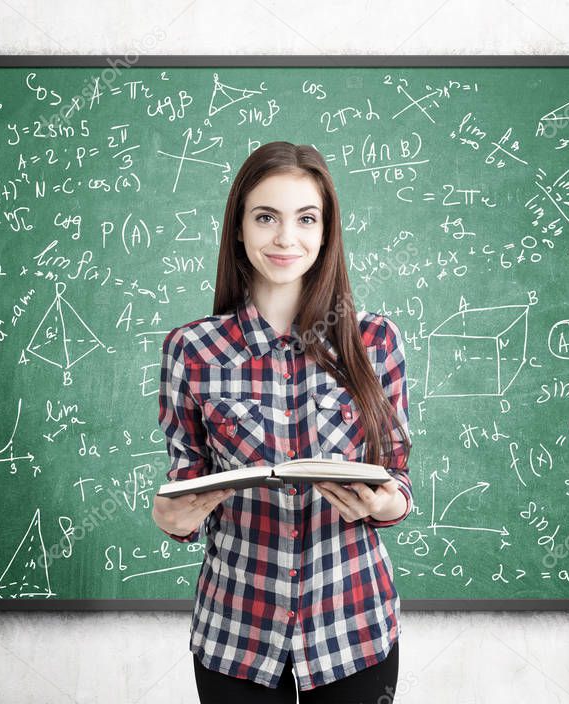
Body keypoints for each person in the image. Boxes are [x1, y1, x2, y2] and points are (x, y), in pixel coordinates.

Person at [152, 141, 413, 703]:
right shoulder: (191, 350)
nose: (286, 238)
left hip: (353, 626)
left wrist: (384, 503)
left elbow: (398, 477)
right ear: (240, 228)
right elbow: (186, 484)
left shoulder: (374, 342)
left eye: (306, 219)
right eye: (266, 217)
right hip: (236, 631)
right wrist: (172, 516)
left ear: (325, 232)